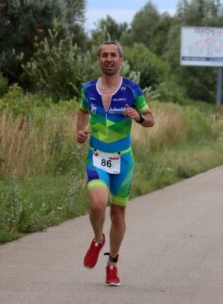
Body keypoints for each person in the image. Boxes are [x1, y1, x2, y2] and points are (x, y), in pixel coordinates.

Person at [77, 41, 155, 286]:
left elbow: (151, 119)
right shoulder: (88, 88)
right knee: (98, 203)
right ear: (99, 60)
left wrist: (139, 117)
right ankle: (98, 239)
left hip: (123, 160)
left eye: (113, 55)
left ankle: (112, 265)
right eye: (104, 55)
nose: (108, 59)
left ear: (120, 60)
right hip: (97, 156)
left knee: (119, 215)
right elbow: (82, 112)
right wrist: (80, 132)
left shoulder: (132, 89)